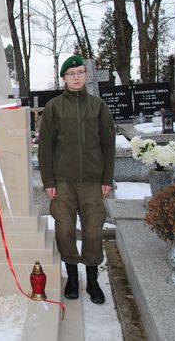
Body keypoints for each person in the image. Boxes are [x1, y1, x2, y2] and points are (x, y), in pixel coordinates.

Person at [38, 55, 115, 305]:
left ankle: (92, 280)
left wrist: (107, 178)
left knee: (93, 231)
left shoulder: (98, 106)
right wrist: (49, 181)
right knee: (65, 230)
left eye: (81, 72)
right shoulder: (54, 107)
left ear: (86, 75)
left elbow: (108, 143)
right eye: (72, 73)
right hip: (62, 182)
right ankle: (72, 276)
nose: (77, 77)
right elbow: (46, 146)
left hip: (93, 181)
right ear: (64, 78)